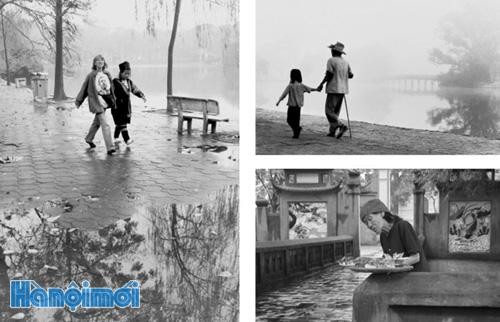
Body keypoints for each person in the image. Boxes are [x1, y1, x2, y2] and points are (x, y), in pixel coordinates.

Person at [360, 198, 429, 271]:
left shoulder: (403, 226)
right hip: (400, 278)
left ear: (382, 213)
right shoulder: (383, 236)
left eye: (370, 219)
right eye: (366, 223)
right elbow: (388, 259)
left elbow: (416, 258)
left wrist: (392, 264)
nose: (369, 225)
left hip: (417, 277)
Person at [75, 54, 116, 155]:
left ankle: (89, 138)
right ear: (94, 63)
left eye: (102, 60)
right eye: (98, 61)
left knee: (97, 123)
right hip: (97, 102)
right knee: (105, 124)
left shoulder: (107, 74)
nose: (100, 62)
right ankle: (110, 147)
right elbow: (84, 88)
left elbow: (112, 88)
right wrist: (79, 100)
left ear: (104, 62)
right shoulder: (91, 75)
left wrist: (115, 99)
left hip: (106, 101)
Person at [317, 42, 353, 139]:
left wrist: (321, 84)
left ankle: (341, 126)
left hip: (333, 88)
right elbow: (351, 75)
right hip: (343, 89)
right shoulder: (346, 62)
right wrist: (342, 74)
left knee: (329, 111)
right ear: (341, 53)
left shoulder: (331, 60)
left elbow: (329, 74)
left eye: (331, 50)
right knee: (335, 112)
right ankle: (332, 131)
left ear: (333, 51)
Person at [276, 69, 319, 138]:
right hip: (298, 107)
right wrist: (317, 89)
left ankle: (297, 130)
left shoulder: (290, 86)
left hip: (292, 106)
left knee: (289, 120)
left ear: (291, 76)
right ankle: (296, 133)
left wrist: (279, 101)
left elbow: (284, 94)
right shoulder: (301, 85)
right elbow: (310, 89)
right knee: (296, 121)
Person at [111, 61, 147, 146]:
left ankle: (116, 138)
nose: (127, 75)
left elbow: (135, 89)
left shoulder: (129, 82)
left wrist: (141, 95)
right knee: (122, 124)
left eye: (129, 74)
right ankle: (127, 140)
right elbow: (110, 92)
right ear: (121, 72)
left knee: (120, 123)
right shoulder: (115, 82)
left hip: (126, 107)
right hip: (117, 107)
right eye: (125, 73)